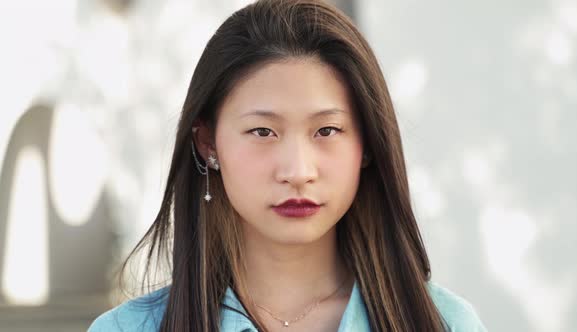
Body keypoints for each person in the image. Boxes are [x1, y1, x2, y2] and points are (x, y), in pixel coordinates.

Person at [88, 0, 487, 331]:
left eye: (327, 130)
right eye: (263, 132)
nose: (298, 171)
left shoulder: (444, 323)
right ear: (208, 142)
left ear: (367, 143)